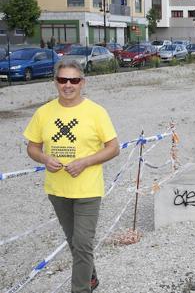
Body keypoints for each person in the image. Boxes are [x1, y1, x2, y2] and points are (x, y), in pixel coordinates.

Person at [23, 60, 120, 293]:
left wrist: (85, 162)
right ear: (55, 82)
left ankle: (81, 289)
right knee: (74, 242)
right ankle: (91, 277)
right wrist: (45, 159)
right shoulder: (43, 113)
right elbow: (32, 147)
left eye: (74, 80)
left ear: (82, 83)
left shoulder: (96, 112)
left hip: (88, 190)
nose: (68, 85)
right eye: (63, 80)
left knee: (83, 243)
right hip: (58, 190)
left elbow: (113, 147)